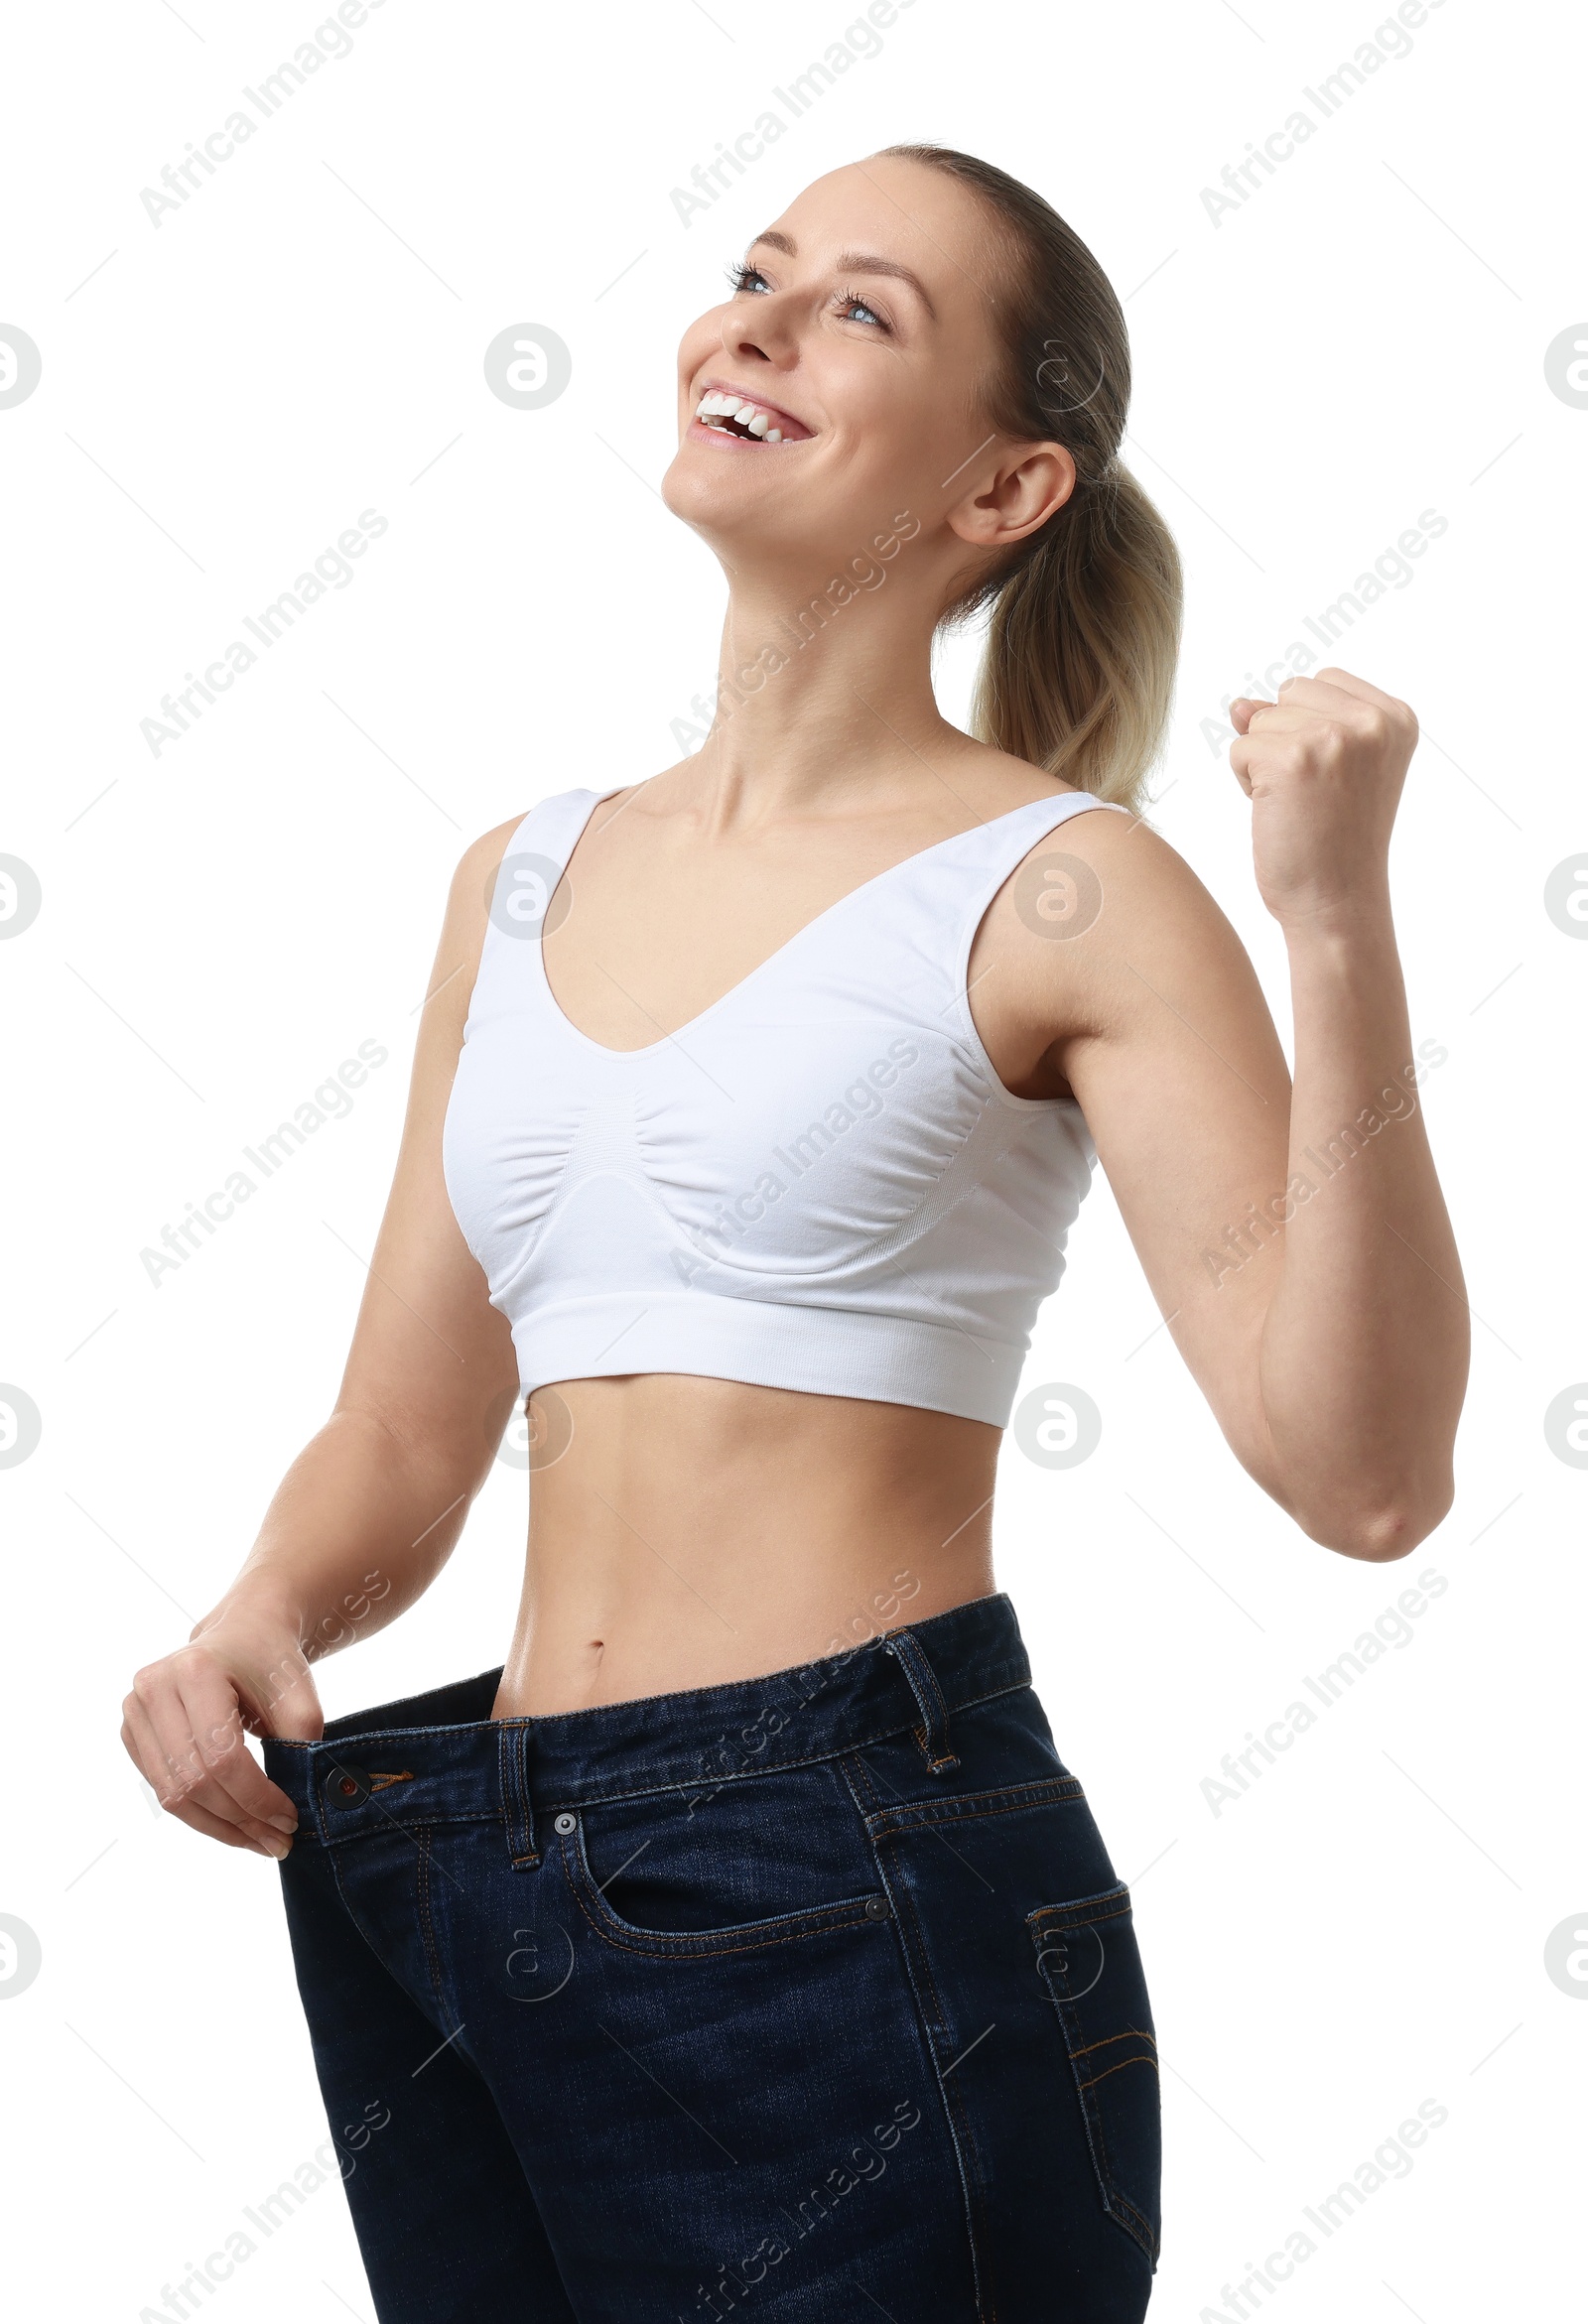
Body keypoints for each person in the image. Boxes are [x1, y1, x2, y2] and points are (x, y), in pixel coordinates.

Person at [119, 144, 1467, 2323]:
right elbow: (399, 1431)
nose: (747, 322)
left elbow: (1361, 1470)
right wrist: (262, 1603)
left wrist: (1331, 919)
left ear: (1004, 492)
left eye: (858, 310)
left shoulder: (1063, 888)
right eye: (753, 272)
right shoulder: (521, 874)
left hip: (837, 1870)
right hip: (462, 1866)